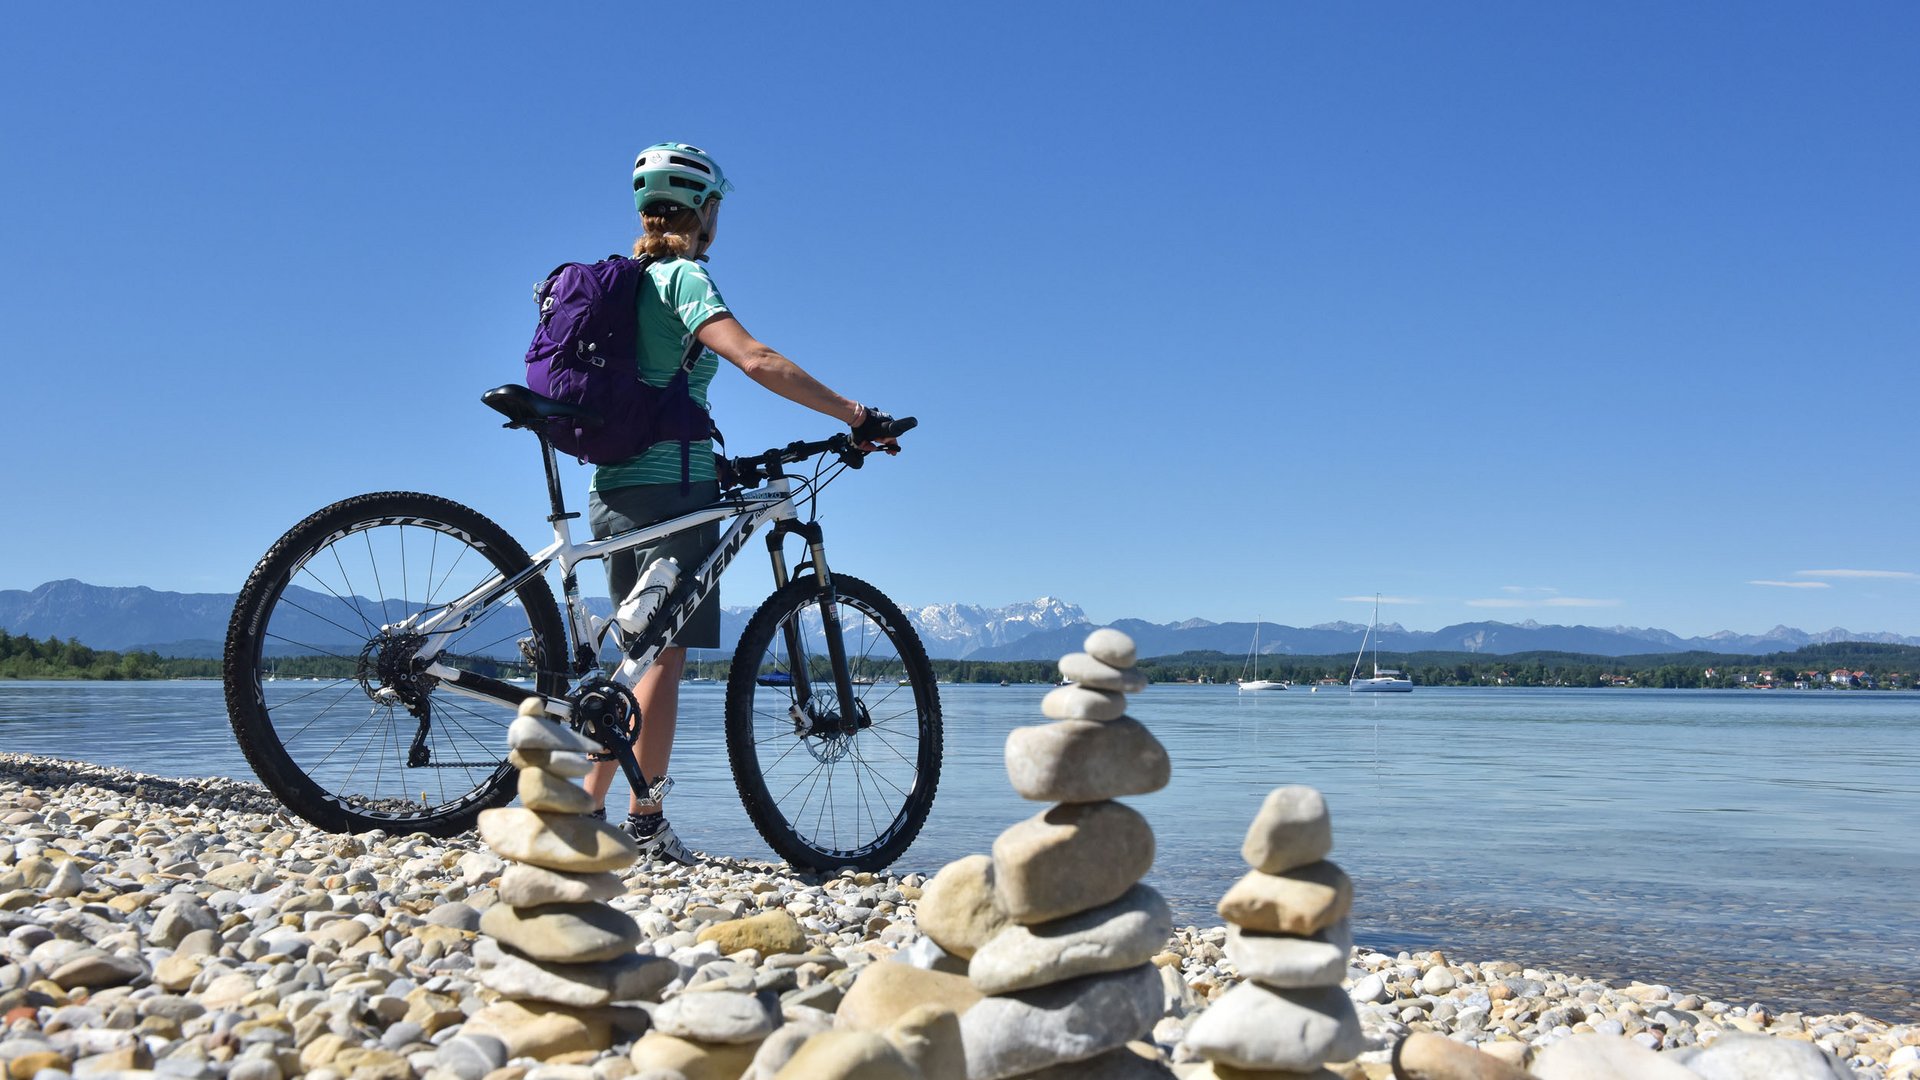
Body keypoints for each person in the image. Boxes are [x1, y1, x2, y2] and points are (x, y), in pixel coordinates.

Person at [580, 142, 897, 863]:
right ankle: (645, 822)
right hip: (672, 487)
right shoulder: (680, 277)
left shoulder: (621, 282)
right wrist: (853, 414)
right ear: (706, 212)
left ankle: (582, 808)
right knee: (663, 659)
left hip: (612, 486)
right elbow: (754, 358)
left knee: (630, 662)